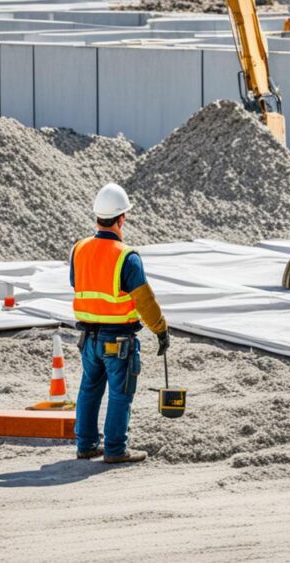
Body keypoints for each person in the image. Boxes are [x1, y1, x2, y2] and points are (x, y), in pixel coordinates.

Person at [71, 183, 170, 463]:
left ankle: (86, 445)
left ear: (98, 217)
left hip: (87, 338)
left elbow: (78, 284)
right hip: (118, 342)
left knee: (89, 389)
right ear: (121, 218)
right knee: (120, 393)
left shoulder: (79, 250)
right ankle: (115, 449)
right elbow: (145, 302)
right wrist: (161, 330)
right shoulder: (127, 256)